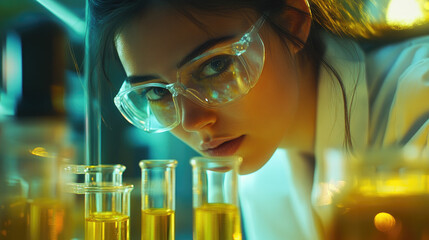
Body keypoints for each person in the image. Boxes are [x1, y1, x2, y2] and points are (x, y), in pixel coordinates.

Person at [88, 0, 429, 239]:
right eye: (156, 93)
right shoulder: (260, 176)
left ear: (292, 19)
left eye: (215, 66)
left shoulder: (419, 104)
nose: (191, 121)